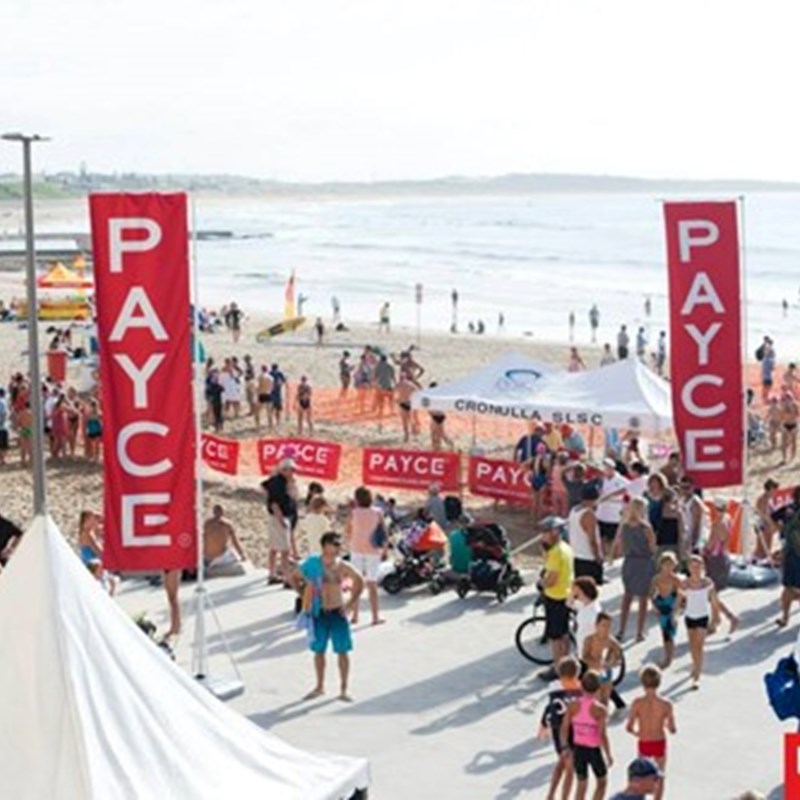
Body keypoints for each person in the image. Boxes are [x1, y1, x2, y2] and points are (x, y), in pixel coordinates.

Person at [297, 532, 363, 702]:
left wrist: (350, 604)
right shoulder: (313, 564)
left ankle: (344, 689)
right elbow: (294, 576)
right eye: (335, 543)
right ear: (325, 545)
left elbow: (360, 580)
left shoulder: (341, 566)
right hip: (319, 612)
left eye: (339, 544)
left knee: (343, 651)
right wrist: (304, 593)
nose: (338, 547)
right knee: (318, 651)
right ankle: (319, 686)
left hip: (337, 611)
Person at [561, 670, 613, 800]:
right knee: (602, 782)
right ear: (598, 688)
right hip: (593, 750)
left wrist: (565, 746)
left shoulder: (572, 706)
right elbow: (602, 735)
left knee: (581, 784)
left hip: (578, 748)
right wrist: (608, 754)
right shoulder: (600, 710)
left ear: (581, 686)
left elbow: (564, 727)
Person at [626, 666, 675, 800]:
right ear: (659, 682)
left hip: (644, 742)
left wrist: (638, 733)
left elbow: (629, 727)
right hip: (659, 741)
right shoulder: (666, 704)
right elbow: (672, 729)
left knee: (641, 776)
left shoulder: (637, 703)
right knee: (660, 775)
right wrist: (664, 724)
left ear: (642, 682)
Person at [539, 655, 582, 800]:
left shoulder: (554, 688)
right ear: (578, 672)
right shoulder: (581, 689)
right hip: (574, 730)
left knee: (562, 762)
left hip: (557, 730)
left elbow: (549, 709)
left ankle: (550, 795)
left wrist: (543, 725)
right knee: (570, 768)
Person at [613, 498, 656, 643]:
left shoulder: (624, 526)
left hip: (629, 562)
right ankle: (639, 632)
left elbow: (620, 546)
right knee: (643, 599)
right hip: (644, 562)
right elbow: (652, 547)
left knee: (627, 597)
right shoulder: (646, 527)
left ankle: (621, 630)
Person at [538, 517, 574, 681]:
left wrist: (541, 583)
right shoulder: (565, 547)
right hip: (566, 594)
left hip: (555, 596)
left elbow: (551, 579)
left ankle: (557, 667)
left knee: (555, 636)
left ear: (554, 532)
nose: (542, 535)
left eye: (545, 532)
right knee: (564, 632)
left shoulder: (555, 553)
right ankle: (567, 662)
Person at [346, 487, 387, 626]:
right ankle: (375, 617)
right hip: (373, 550)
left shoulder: (354, 513)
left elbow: (347, 531)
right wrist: (385, 549)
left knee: (356, 584)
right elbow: (384, 532)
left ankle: (355, 616)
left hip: (356, 549)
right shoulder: (378, 512)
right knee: (372, 584)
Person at [682, 554, 722, 689]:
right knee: (692, 646)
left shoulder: (707, 583)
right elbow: (679, 601)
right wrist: (674, 615)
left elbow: (714, 600)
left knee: (699, 646)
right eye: (692, 566)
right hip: (689, 616)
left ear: (702, 567)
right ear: (688, 568)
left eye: (698, 566)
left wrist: (716, 616)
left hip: (702, 616)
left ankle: (696, 677)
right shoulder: (685, 583)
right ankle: (695, 665)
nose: (695, 569)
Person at [704, 499, 740, 635]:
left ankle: (730, 617)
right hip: (723, 557)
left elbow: (712, 542)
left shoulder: (718, 523)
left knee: (711, 594)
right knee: (714, 593)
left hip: (715, 559)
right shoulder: (727, 518)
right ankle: (715, 620)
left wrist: (704, 550)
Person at [262, 458, 299, 584]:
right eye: (291, 470)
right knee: (284, 550)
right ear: (284, 470)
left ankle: (272, 574)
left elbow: (264, 487)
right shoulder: (278, 483)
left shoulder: (280, 481)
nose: (293, 472)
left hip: (279, 517)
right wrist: (281, 519)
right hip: (280, 517)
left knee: (274, 548)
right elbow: (274, 503)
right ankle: (287, 579)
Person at [582, 612, 624, 706]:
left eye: (609, 626)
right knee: (596, 698)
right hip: (592, 673)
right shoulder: (589, 640)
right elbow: (584, 656)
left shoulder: (612, 642)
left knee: (605, 699)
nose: (606, 629)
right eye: (603, 625)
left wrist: (612, 662)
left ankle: (604, 716)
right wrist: (595, 663)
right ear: (596, 625)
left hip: (606, 673)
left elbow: (619, 659)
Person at [651, 552, 682, 669]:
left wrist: (676, 613)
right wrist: (654, 606)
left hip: (672, 606)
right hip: (662, 607)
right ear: (661, 565)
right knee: (664, 632)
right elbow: (652, 594)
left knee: (670, 633)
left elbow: (680, 595)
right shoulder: (656, 579)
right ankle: (667, 654)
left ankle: (669, 658)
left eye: (671, 565)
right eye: (666, 564)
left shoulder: (676, 579)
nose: (668, 567)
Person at [569, 485, 603, 585]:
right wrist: (598, 557)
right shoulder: (588, 514)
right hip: (588, 558)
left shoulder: (574, 510)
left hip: (576, 555)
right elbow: (592, 540)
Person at [597, 459, 629, 563]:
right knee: (601, 539)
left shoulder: (621, 480)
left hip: (614, 515)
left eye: (607, 468)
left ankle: (613, 559)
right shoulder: (601, 480)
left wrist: (610, 495)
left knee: (614, 540)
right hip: (601, 514)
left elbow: (628, 488)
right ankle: (604, 558)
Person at [203, 504, 247, 577]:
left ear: (213, 512)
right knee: (235, 556)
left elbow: (203, 539)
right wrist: (242, 555)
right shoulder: (227, 524)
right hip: (220, 557)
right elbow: (235, 542)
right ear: (223, 513)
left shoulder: (206, 523)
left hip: (207, 558)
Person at [572, 576, 602, 658]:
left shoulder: (593, 612)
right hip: (582, 648)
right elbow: (569, 603)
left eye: (575, 590)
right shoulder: (584, 604)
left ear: (582, 591)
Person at [678, 475, 705, 554]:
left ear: (693, 487)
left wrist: (692, 543)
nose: (684, 490)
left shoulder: (695, 503)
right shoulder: (682, 500)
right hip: (685, 539)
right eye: (682, 487)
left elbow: (696, 524)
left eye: (687, 487)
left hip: (694, 543)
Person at [755, 478, 779, 559]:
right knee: (761, 549)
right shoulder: (763, 499)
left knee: (767, 548)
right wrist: (772, 524)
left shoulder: (768, 499)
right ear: (770, 489)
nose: (775, 491)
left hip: (767, 526)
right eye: (774, 489)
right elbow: (764, 514)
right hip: (764, 526)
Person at [373, 354, 396, 428]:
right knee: (391, 399)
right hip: (389, 385)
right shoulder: (390, 366)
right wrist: (395, 384)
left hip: (380, 386)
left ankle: (380, 412)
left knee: (380, 400)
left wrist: (375, 385)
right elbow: (393, 377)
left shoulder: (377, 366)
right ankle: (391, 411)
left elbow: (375, 377)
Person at [780, 390, 799, 464]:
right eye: (786, 398)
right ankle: (784, 458)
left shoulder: (795, 405)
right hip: (785, 425)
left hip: (794, 424)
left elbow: (798, 415)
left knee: (794, 442)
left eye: (789, 398)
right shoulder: (782, 406)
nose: (787, 400)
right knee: (784, 443)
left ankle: (792, 457)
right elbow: (781, 416)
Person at [396, 371, 416, 443]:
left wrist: (397, 400)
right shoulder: (410, 384)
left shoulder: (398, 384)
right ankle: (413, 431)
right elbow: (416, 391)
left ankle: (406, 435)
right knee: (410, 419)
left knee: (404, 421)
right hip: (409, 402)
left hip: (402, 403)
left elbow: (395, 393)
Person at [761, 337, 776, 404]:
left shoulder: (764, 359)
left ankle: (764, 399)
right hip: (769, 376)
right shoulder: (771, 360)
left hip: (764, 376)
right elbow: (772, 368)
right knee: (768, 388)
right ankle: (766, 399)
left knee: (764, 387)